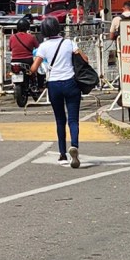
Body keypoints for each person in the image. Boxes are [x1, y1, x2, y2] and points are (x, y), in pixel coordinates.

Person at [29, 17, 83, 167]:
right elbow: (84, 59)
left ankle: (62, 154)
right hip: (71, 83)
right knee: (73, 119)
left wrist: (29, 72)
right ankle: (74, 145)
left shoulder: (43, 46)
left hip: (54, 85)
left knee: (60, 120)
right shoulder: (69, 43)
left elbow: (34, 68)